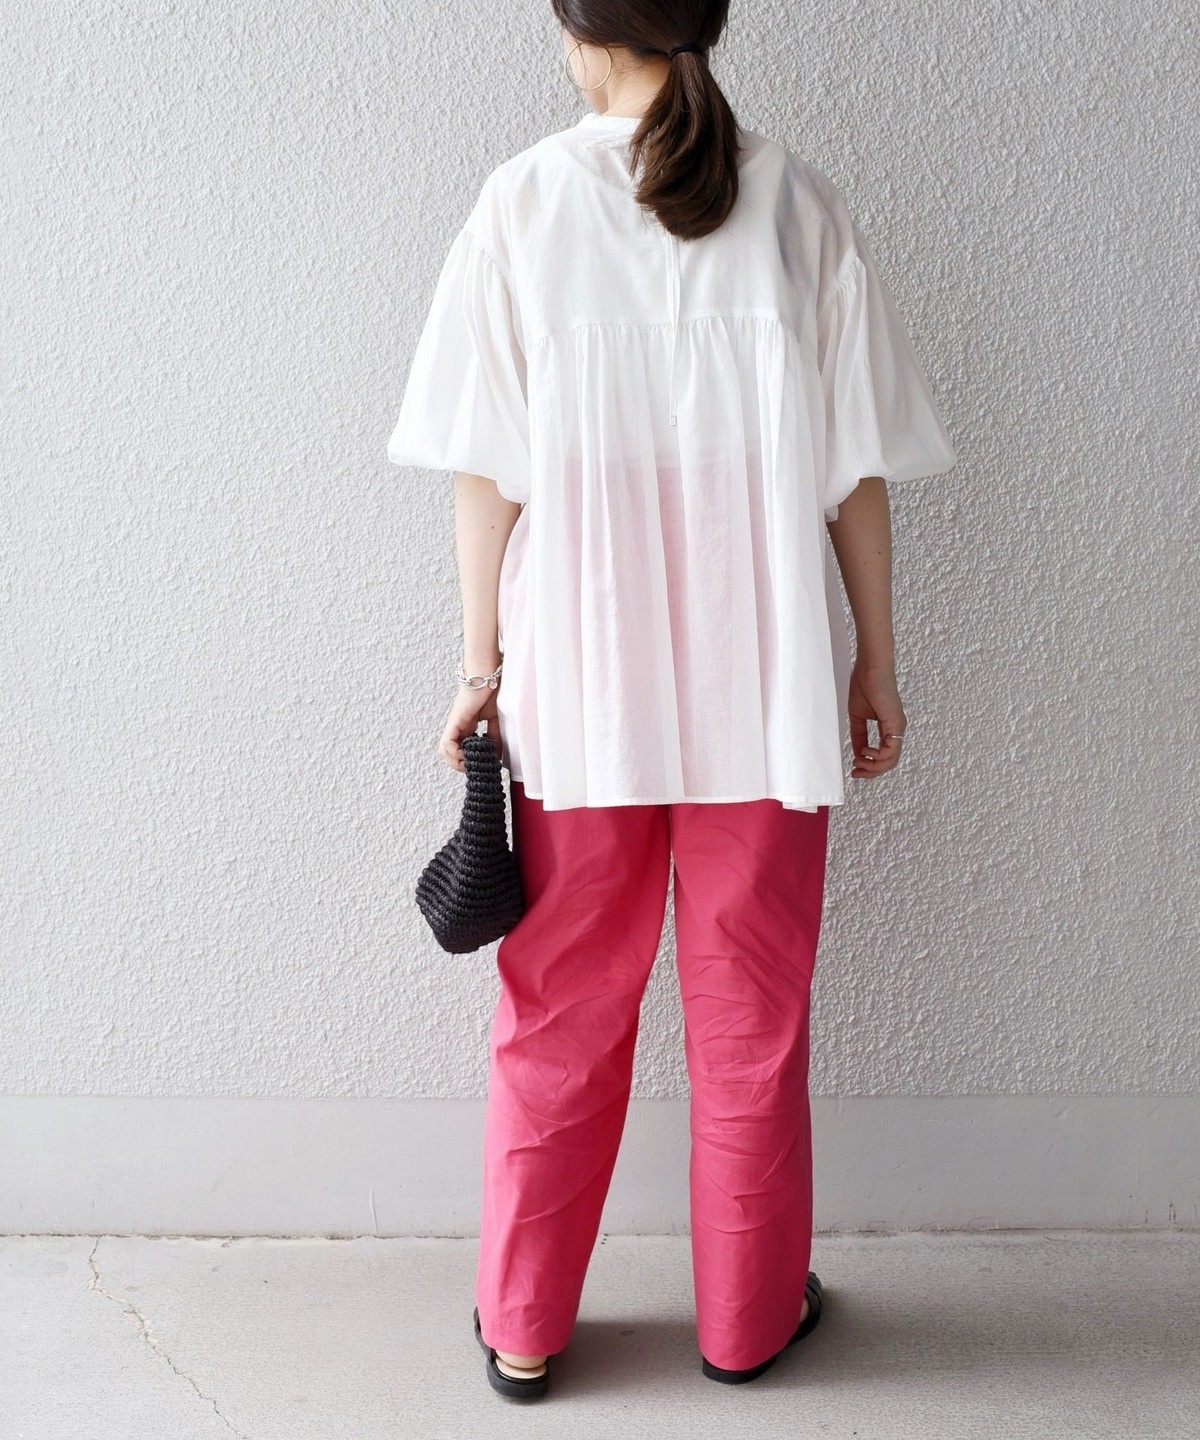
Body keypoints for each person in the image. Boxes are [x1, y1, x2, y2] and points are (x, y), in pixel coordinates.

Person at [386, 0, 957, 1402]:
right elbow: (855, 472)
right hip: (761, 689)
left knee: (558, 1010)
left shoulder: (523, 205)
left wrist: (480, 667)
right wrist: (874, 658)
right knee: (753, 1020)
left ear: (585, 32)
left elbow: (487, 472)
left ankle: (524, 1324)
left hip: (583, 696)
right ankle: (745, 1326)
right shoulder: (795, 202)